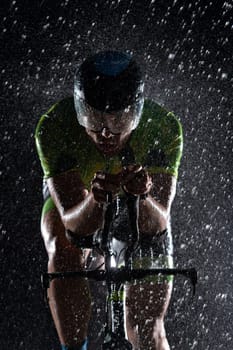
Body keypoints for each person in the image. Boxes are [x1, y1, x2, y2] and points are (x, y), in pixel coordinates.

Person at [35, 50, 183, 350]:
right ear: (79, 109)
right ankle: (74, 346)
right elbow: (75, 226)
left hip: (139, 206)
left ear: (138, 112)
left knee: (147, 332)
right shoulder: (55, 126)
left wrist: (141, 197)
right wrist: (97, 202)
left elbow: (156, 224)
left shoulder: (164, 128)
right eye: (93, 118)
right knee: (61, 244)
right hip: (80, 200)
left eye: (121, 119)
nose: (105, 133)